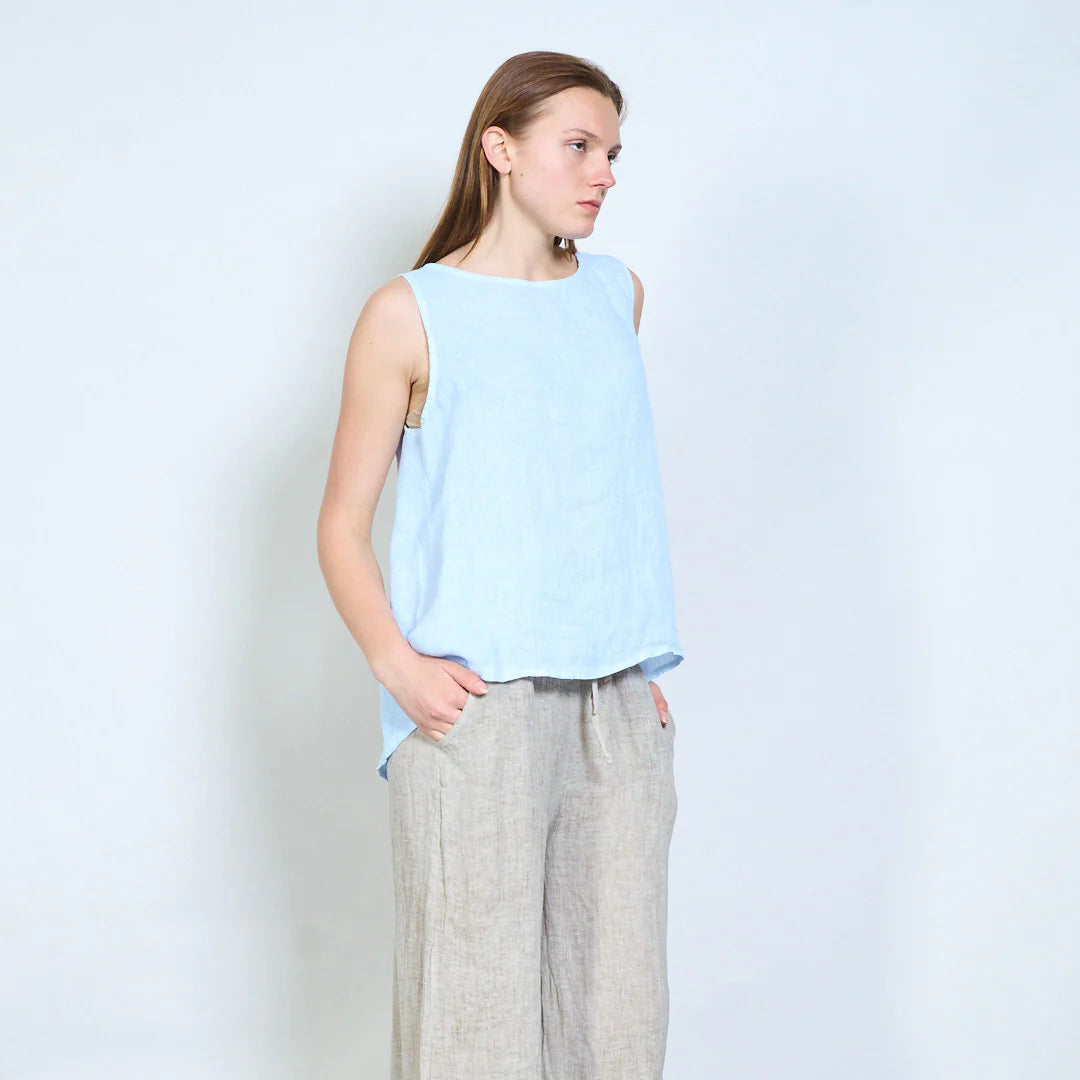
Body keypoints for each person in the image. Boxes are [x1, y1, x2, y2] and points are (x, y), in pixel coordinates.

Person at [317, 50, 684, 1080]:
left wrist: (635, 665)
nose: (603, 172)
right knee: (470, 1027)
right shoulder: (410, 313)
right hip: (477, 706)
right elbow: (341, 523)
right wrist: (398, 666)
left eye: (613, 153)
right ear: (501, 149)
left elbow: (591, 496)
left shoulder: (617, 294)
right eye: (579, 146)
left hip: (616, 705)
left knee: (617, 1026)